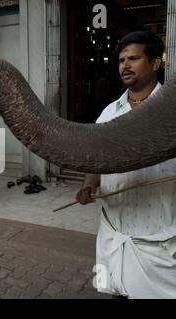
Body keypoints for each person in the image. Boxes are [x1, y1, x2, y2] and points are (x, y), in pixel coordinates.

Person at [75, 31, 176, 299]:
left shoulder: (172, 112)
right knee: (115, 290)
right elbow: (95, 158)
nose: (125, 66)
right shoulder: (109, 113)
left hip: (158, 237)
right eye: (121, 60)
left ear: (155, 63)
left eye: (133, 58)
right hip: (113, 230)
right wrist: (89, 183)